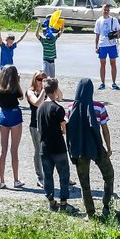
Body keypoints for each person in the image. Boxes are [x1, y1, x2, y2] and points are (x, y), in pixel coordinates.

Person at [67, 78, 116, 219]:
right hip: (96, 147)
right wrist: (108, 148)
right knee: (109, 175)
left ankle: (90, 212)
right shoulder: (99, 107)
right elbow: (105, 130)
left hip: (79, 149)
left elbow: (67, 129)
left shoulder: (70, 107)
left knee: (84, 182)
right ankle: (107, 206)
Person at [36, 78, 72, 211]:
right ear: (56, 90)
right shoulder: (58, 108)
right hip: (58, 147)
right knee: (64, 175)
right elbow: (64, 129)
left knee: (47, 175)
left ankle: (51, 202)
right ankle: (63, 203)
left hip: (44, 147)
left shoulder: (40, 108)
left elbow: (39, 129)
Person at [0, 65, 26, 189]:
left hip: (3, 115)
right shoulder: (14, 89)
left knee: (3, 150)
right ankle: (16, 180)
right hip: (14, 115)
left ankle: (1, 181)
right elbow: (21, 96)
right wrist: (18, 82)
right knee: (14, 150)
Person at [25, 71, 48, 187]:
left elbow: (59, 96)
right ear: (34, 80)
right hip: (36, 125)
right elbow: (37, 103)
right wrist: (44, 90)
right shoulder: (30, 92)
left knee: (53, 150)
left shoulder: (47, 91)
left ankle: (61, 175)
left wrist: (53, 85)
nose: (41, 82)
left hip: (48, 124)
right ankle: (40, 177)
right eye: (39, 79)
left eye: (44, 80)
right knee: (39, 151)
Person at [95, 3, 120, 90]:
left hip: (112, 44)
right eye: (104, 10)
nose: (106, 11)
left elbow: (119, 30)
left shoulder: (114, 20)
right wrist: (96, 46)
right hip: (102, 44)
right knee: (102, 64)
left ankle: (114, 83)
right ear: (102, 10)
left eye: (107, 10)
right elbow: (97, 34)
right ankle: (102, 83)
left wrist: (117, 33)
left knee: (113, 63)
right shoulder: (99, 21)